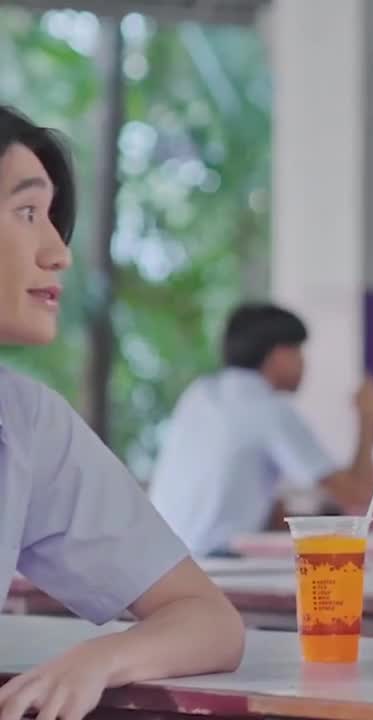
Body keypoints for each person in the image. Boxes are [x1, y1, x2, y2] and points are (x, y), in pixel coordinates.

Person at [0, 105, 244, 720]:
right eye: (27, 213)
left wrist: (100, 659)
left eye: (52, 218)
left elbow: (208, 620)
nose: (58, 252)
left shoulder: (26, 422)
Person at [148, 303, 373, 557]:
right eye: (298, 351)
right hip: (215, 559)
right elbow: (357, 495)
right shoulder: (269, 409)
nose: (304, 363)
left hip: (165, 559)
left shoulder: (200, 392)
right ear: (279, 355)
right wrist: (368, 418)